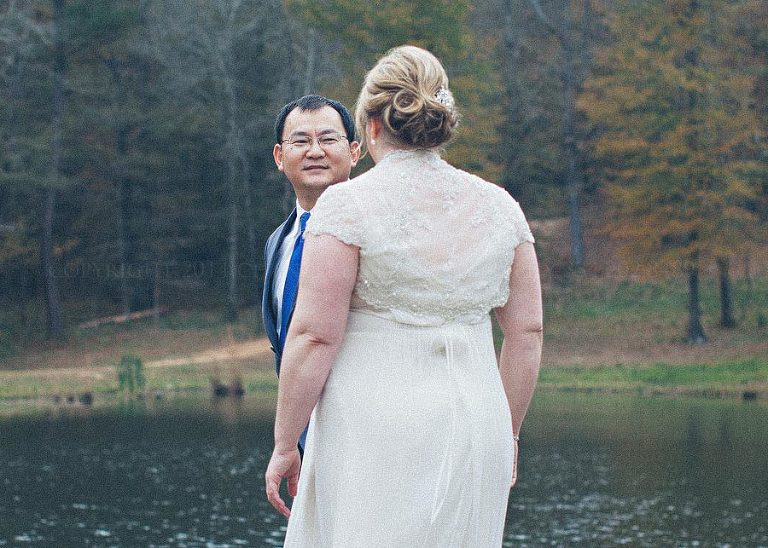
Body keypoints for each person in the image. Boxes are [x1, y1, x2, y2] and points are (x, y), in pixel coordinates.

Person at [265, 45, 543, 546]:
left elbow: (314, 335)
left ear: (370, 126)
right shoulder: (500, 207)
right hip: (480, 424)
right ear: (440, 121)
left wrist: (286, 442)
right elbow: (527, 330)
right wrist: (510, 429)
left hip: (376, 427)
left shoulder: (347, 206)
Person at [261, 94, 360, 452]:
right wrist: (290, 440)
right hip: (304, 438)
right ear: (279, 156)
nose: (314, 151)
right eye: (300, 141)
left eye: (328, 139)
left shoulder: (378, 232)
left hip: (369, 428)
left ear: (354, 152)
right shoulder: (277, 242)